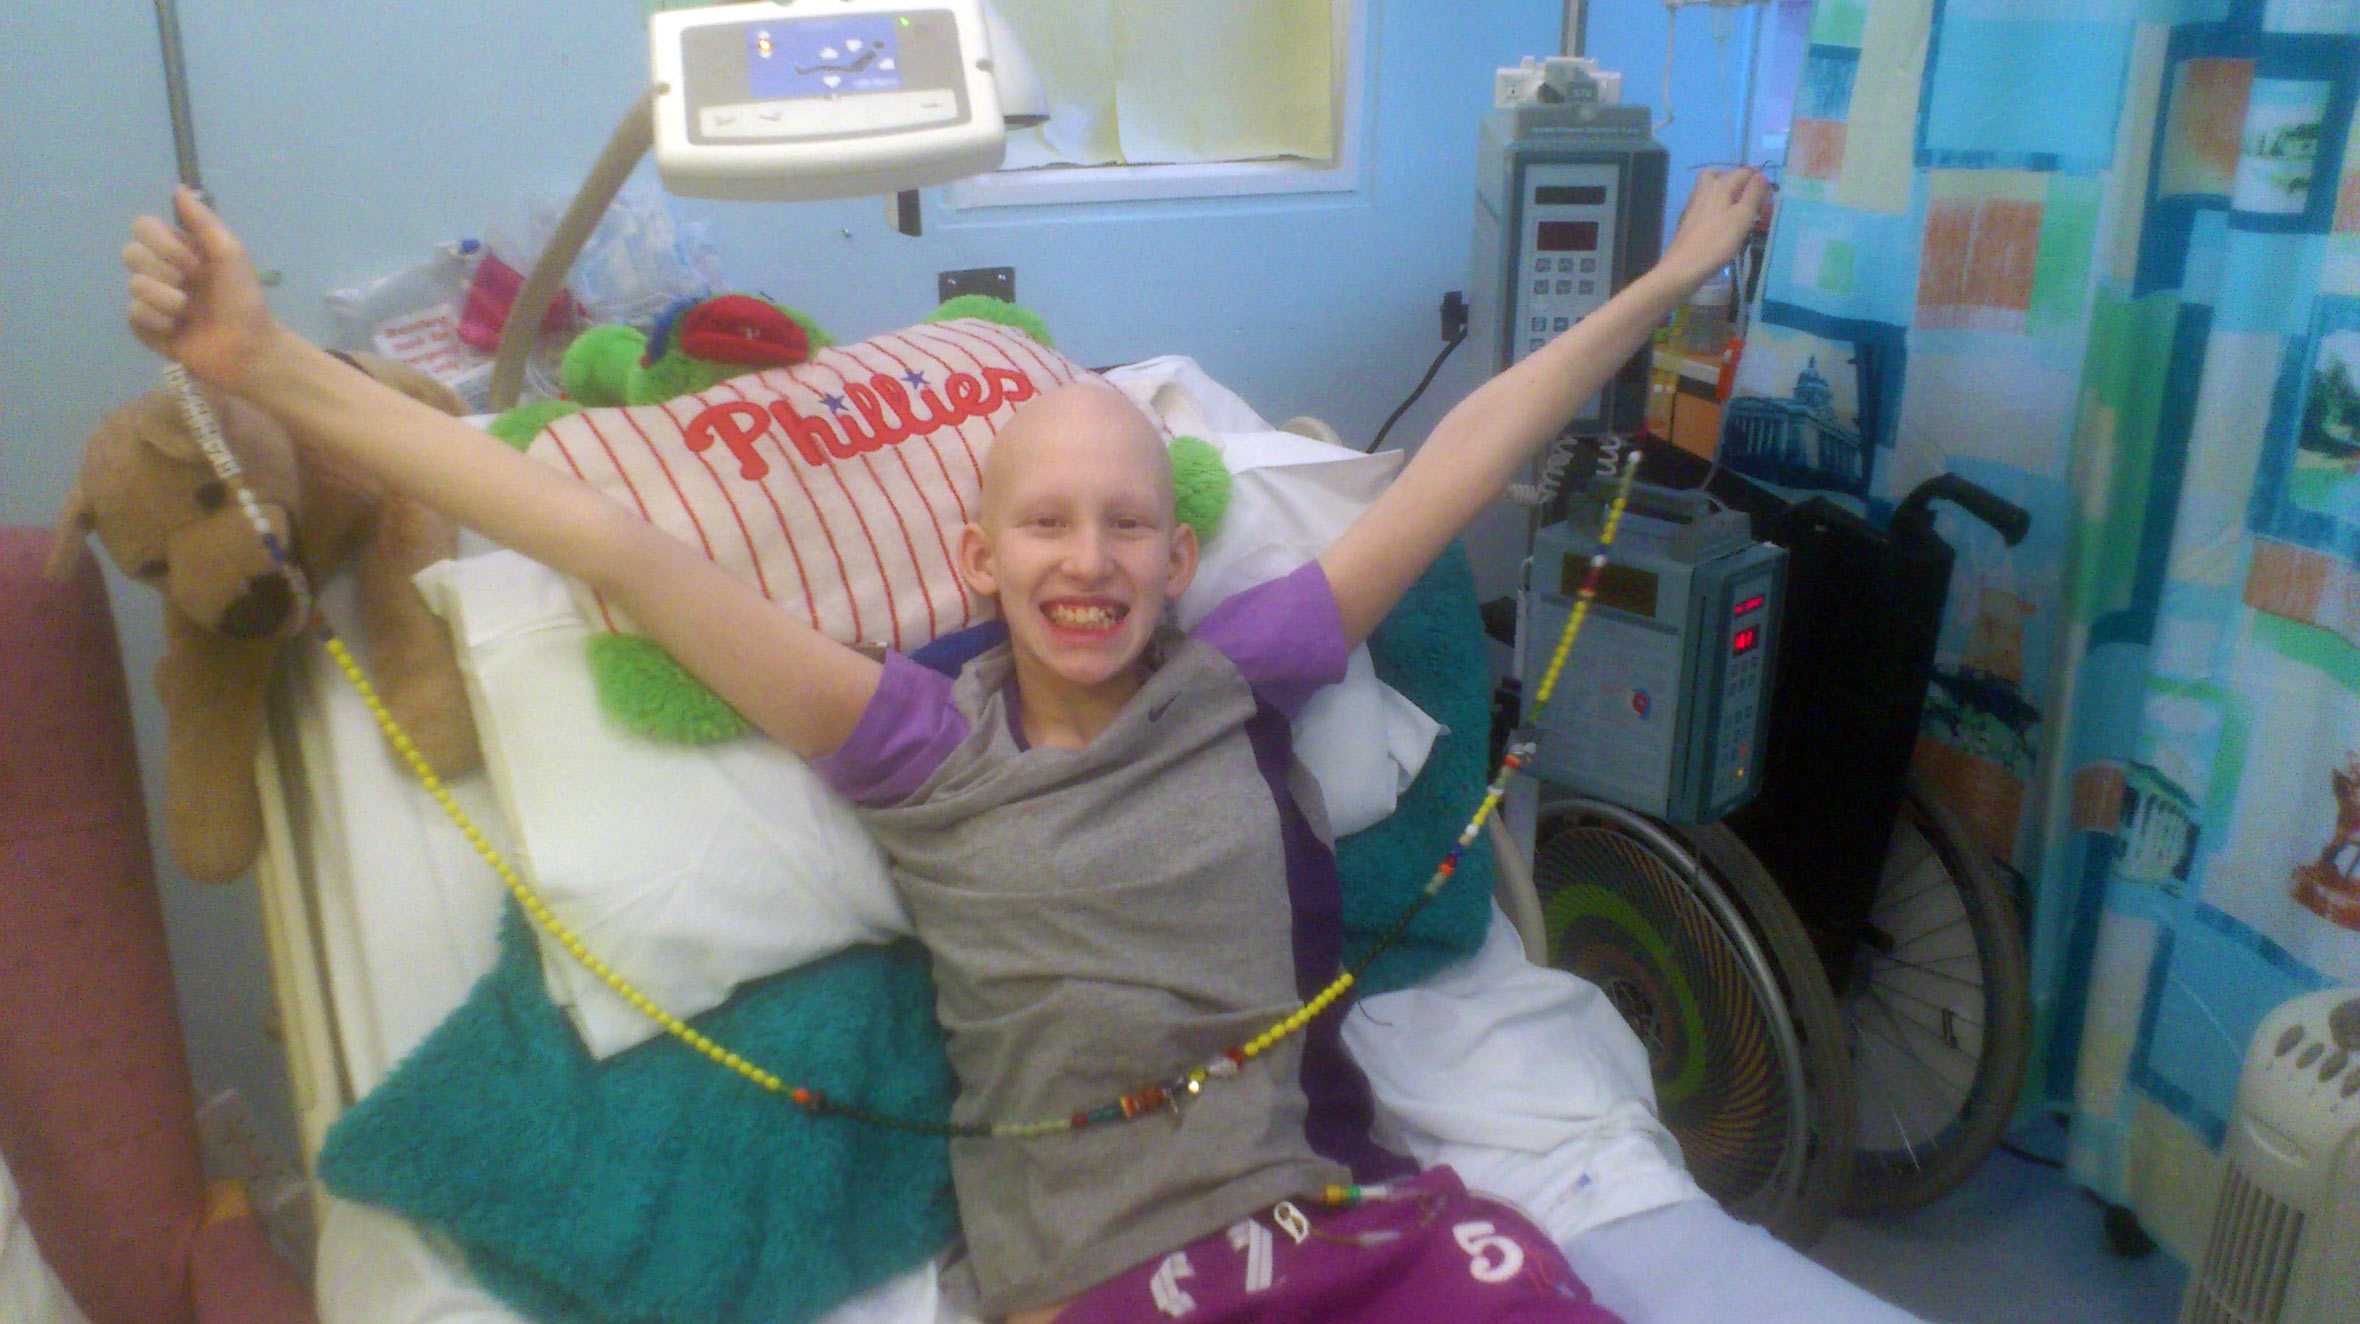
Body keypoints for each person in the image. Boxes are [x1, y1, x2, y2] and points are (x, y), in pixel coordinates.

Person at [123, 169, 1770, 1322]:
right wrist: (263, 367)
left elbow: (1452, 467)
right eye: (1045, 522)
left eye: (1128, 524)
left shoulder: (1237, 674)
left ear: (1179, 562)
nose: (1090, 558)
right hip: (1097, 1287)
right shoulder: (916, 739)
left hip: (1329, 1226)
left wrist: (1668, 281)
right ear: (979, 565)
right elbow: (617, 551)